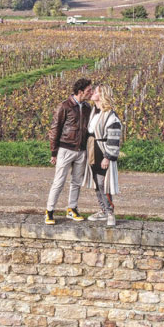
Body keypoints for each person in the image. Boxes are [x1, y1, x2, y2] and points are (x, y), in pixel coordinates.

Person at [45, 78, 93, 225]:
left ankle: (72, 208)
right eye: (89, 90)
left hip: (81, 150)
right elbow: (55, 130)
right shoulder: (64, 106)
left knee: (77, 182)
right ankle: (49, 211)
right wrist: (54, 152)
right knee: (59, 181)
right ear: (80, 92)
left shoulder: (87, 108)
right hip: (66, 149)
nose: (91, 93)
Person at [82, 84, 122, 227]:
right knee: (96, 184)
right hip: (92, 151)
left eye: (96, 92)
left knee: (102, 183)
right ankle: (103, 210)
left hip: (102, 151)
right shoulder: (94, 112)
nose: (92, 93)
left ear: (102, 95)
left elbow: (114, 138)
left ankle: (110, 212)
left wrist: (108, 156)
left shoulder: (111, 115)